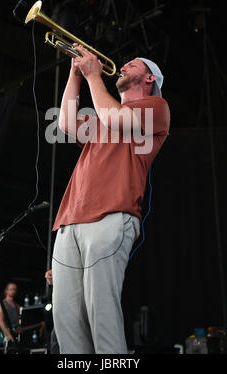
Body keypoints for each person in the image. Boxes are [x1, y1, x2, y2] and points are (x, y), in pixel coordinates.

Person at [51, 44, 170, 354]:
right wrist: (75, 74)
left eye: (133, 64)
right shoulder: (104, 114)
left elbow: (115, 117)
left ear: (149, 78)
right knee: (67, 325)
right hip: (69, 221)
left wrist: (92, 75)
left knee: (101, 317)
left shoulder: (156, 107)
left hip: (111, 216)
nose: (124, 65)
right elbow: (65, 124)